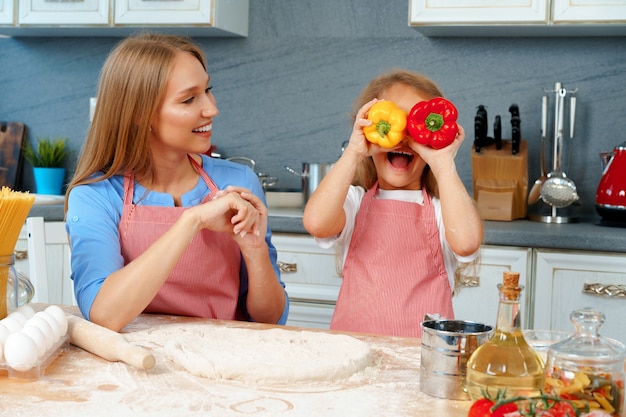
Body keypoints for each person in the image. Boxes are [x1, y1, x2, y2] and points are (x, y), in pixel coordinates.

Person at [64, 33, 288, 332]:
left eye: (208, 90)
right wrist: (191, 221)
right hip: (135, 365)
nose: (211, 109)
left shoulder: (237, 180)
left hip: (224, 362)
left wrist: (254, 249)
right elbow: (105, 314)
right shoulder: (95, 195)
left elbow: (268, 318)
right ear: (140, 114)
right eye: (189, 99)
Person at [302, 69, 483, 338]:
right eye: (392, 118)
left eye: (415, 125)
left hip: (421, 362)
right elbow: (317, 223)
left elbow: (467, 242)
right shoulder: (354, 202)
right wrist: (354, 152)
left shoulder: (441, 210)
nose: (402, 136)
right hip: (355, 354)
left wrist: (444, 164)